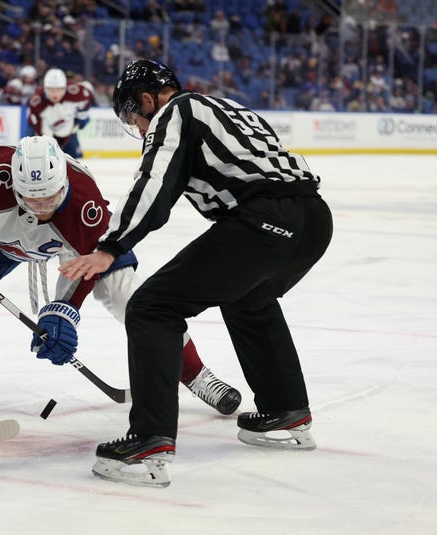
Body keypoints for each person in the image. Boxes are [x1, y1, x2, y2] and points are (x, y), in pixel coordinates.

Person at [58, 58, 333, 488]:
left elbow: (154, 184)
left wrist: (110, 248)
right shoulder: (228, 108)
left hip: (264, 219)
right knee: (249, 297)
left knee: (151, 306)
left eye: (134, 117)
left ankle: (150, 438)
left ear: (147, 100)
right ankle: (286, 410)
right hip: (313, 221)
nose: (140, 129)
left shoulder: (175, 112)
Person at [0, 135, 241, 417]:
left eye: (50, 198)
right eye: (33, 200)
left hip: (74, 241)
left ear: (63, 181)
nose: (42, 207)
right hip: (1, 234)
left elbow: (88, 267)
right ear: (14, 185)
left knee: (126, 294)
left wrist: (64, 310)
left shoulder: (84, 204)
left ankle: (195, 374)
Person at [27, 68, 93, 158]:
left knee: (77, 162)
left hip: (68, 131)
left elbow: (88, 96)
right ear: (45, 88)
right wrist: (48, 144)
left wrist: (82, 114)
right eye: (50, 89)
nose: (55, 94)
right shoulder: (37, 102)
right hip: (46, 130)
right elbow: (39, 129)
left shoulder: (75, 92)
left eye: (59, 89)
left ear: (65, 88)